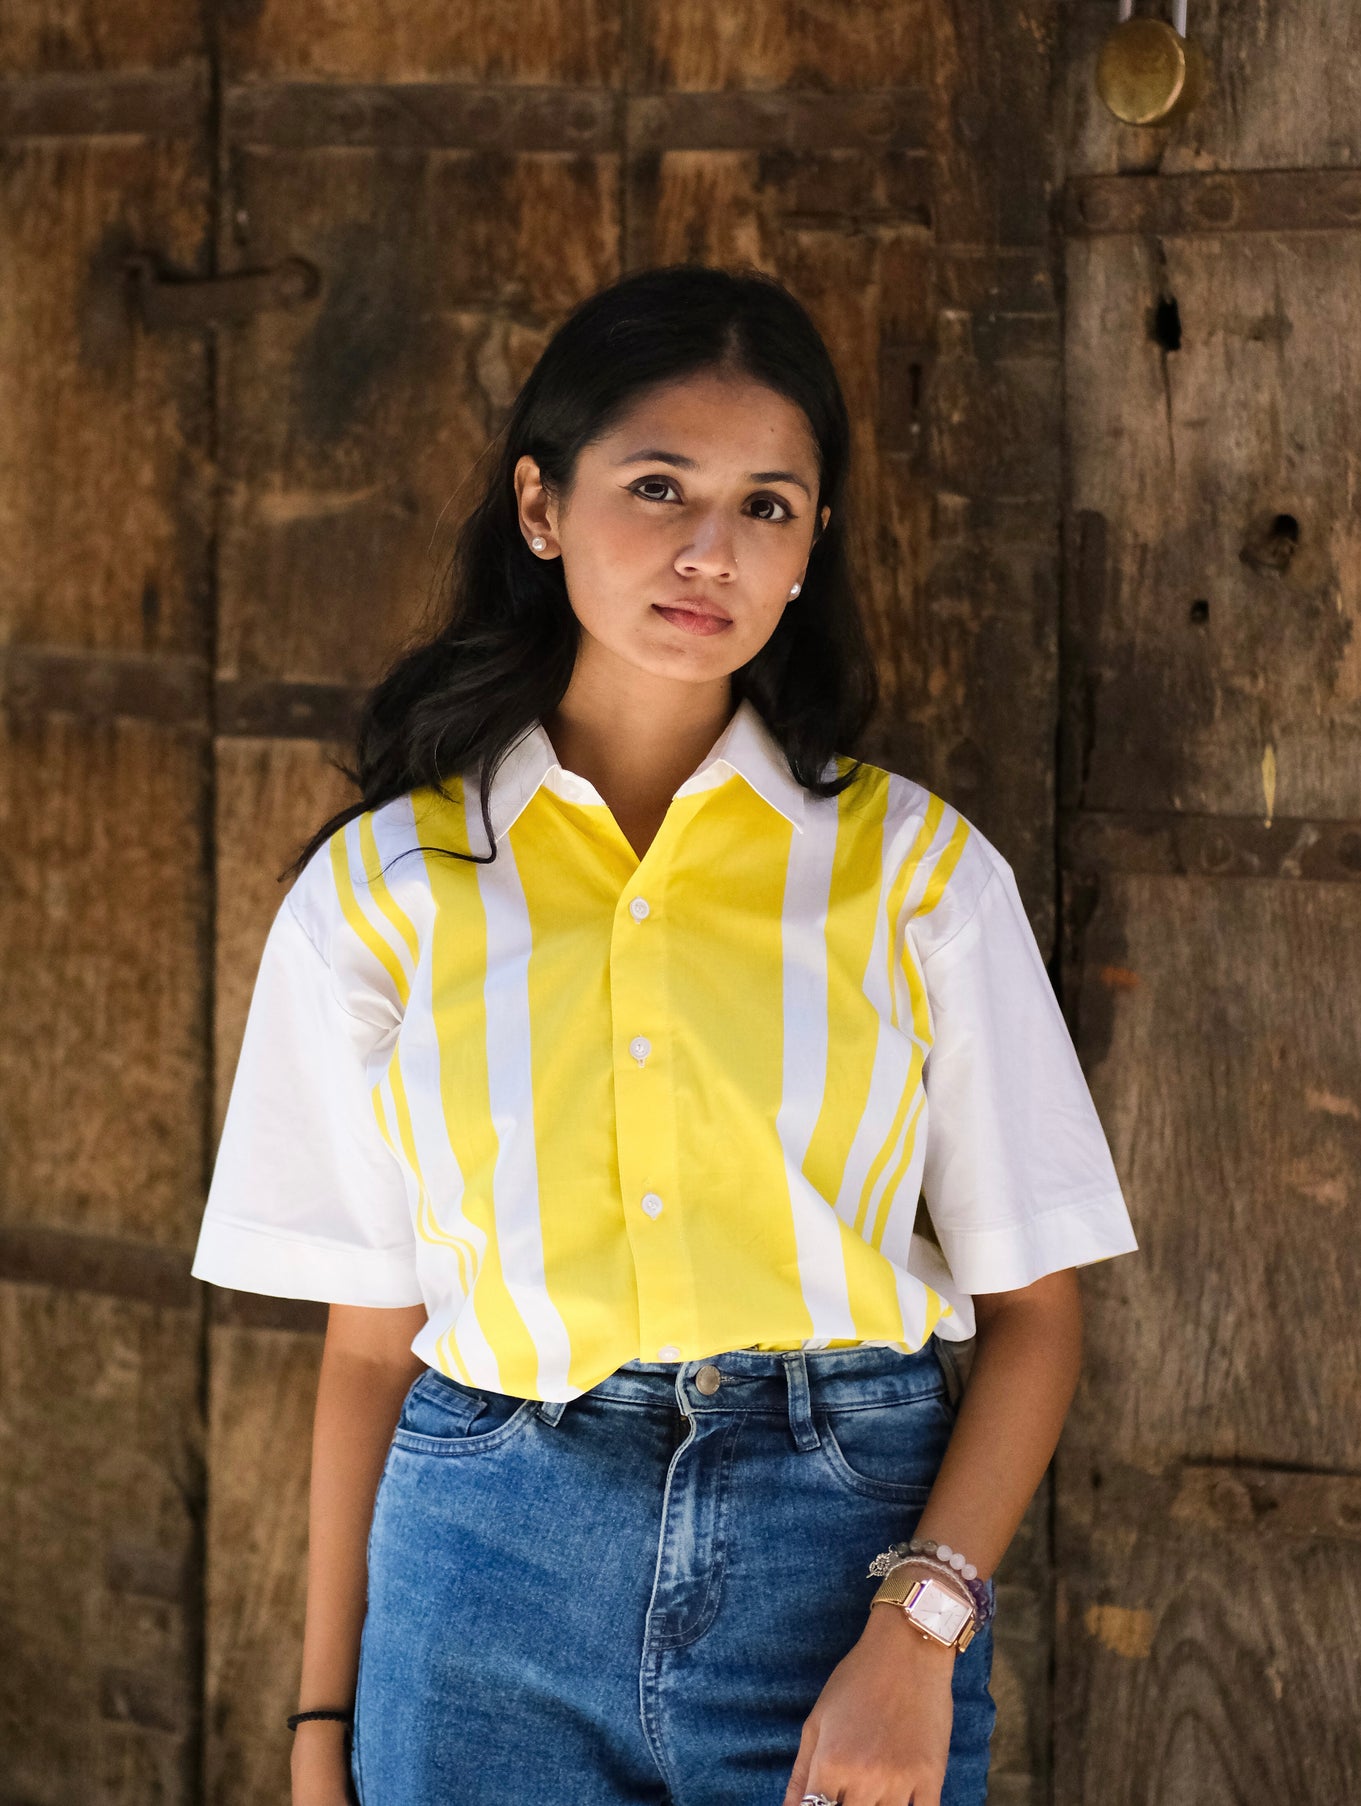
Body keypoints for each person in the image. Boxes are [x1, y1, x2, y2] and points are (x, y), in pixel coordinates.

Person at [189, 262, 1139, 1806]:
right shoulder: (376, 896)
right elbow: (369, 1348)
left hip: (843, 1569)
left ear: (811, 542)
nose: (711, 549)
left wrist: (920, 1631)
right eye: (656, 485)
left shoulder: (915, 875)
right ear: (540, 505)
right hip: (477, 1577)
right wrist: (319, 1729)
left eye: (769, 504)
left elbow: (1035, 1313)